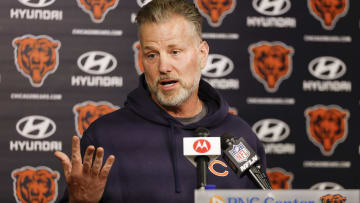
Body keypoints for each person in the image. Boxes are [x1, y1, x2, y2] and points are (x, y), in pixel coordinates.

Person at [55, 0, 267, 202]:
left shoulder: (240, 137)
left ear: (202, 54)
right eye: (152, 55)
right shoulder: (105, 137)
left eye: (175, 52)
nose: (163, 66)